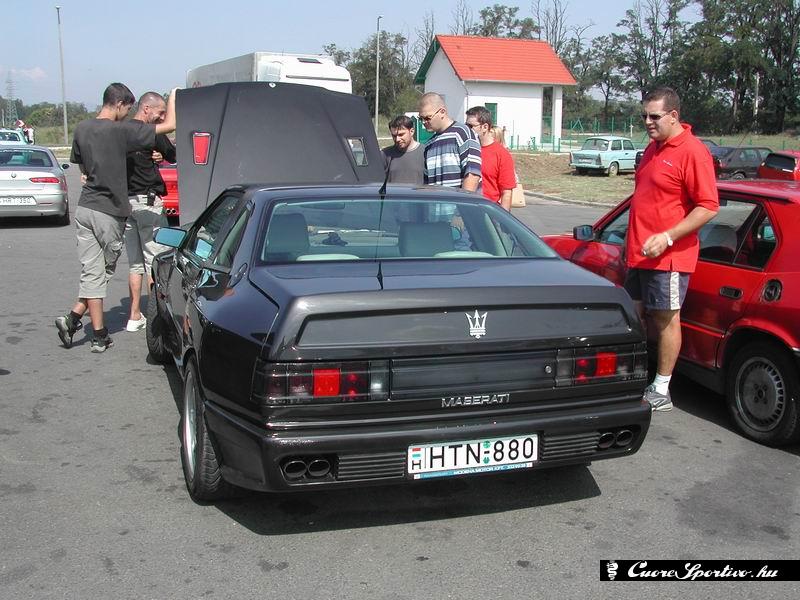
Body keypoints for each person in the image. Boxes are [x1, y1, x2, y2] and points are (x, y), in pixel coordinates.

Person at [55, 83, 176, 353]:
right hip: (108, 211)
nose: (127, 114)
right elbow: (170, 126)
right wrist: (175, 95)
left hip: (85, 207)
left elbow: (83, 167)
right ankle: (83, 323)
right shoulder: (120, 130)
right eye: (127, 108)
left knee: (93, 270)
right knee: (103, 271)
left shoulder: (82, 128)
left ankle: (91, 330)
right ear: (119, 104)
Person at [625, 86, 718, 411]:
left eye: (654, 116)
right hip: (639, 255)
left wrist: (667, 237)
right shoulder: (653, 148)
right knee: (632, 317)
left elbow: (708, 206)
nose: (647, 122)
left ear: (674, 115)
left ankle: (662, 389)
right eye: (644, 116)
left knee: (666, 319)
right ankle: (634, 377)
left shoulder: (692, 151)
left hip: (669, 259)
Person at [123, 92, 177, 332]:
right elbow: (174, 154)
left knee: (135, 264)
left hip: (125, 203)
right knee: (154, 261)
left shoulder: (120, 131)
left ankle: (134, 315)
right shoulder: (150, 132)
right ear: (146, 108)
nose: (162, 117)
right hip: (148, 202)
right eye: (160, 112)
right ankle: (157, 317)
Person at [417, 92, 481, 190]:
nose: (424, 122)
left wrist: (464, 199)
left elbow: (472, 175)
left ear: (442, 112)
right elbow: (427, 184)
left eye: (427, 118)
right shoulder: (428, 145)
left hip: (460, 199)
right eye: (421, 118)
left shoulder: (463, 133)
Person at [465, 106, 516, 210]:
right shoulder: (465, 149)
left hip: (488, 210)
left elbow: (506, 192)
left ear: (485, 127)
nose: (467, 129)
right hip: (465, 209)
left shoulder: (501, 154)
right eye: (466, 125)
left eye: (471, 126)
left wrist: (503, 218)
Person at [382, 115, 424, 185]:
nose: (397, 139)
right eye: (394, 136)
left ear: (412, 131)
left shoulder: (425, 152)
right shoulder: (385, 154)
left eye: (401, 135)